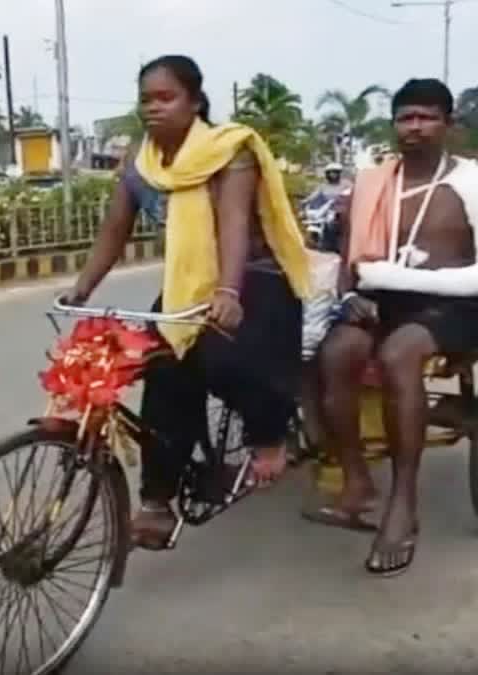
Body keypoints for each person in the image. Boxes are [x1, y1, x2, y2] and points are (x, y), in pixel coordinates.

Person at [62, 55, 310, 550]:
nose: (153, 109)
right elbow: (116, 229)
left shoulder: (229, 149)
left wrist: (228, 291)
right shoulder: (142, 161)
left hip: (253, 276)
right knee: (164, 371)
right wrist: (83, 288)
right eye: (146, 100)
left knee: (225, 359)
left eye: (166, 97)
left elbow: (234, 223)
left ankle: (268, 434)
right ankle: (158, 498)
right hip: (188, 285)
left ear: (195, 102)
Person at [306, 79, 478, 576]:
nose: (415, 127)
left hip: (457, 305)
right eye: (406, 117)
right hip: (382, 298)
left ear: (448, 125)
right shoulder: (373, 183)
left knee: (399, 354)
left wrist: (390, 277)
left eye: (426, 117)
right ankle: (357, 482)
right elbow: (349, 255)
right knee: (335, 351)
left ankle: (403, 505)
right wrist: (353, 292)